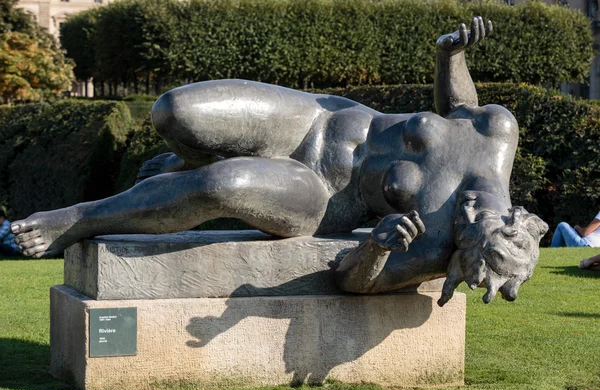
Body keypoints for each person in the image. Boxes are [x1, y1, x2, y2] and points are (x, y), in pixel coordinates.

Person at [11, 17, 547, 305]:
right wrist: (449, 56)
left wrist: (377, 251)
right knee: (174, 111)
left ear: (462, 255)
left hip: (316, 190)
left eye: (469, 235)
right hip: (316, 117)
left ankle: (77, 218)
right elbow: (459, 106)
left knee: (224, 183)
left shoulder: (431, 246)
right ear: (515, 218)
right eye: (491, 222)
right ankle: (180, 172)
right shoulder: (498, 131)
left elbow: (350, 282)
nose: (471, 216)